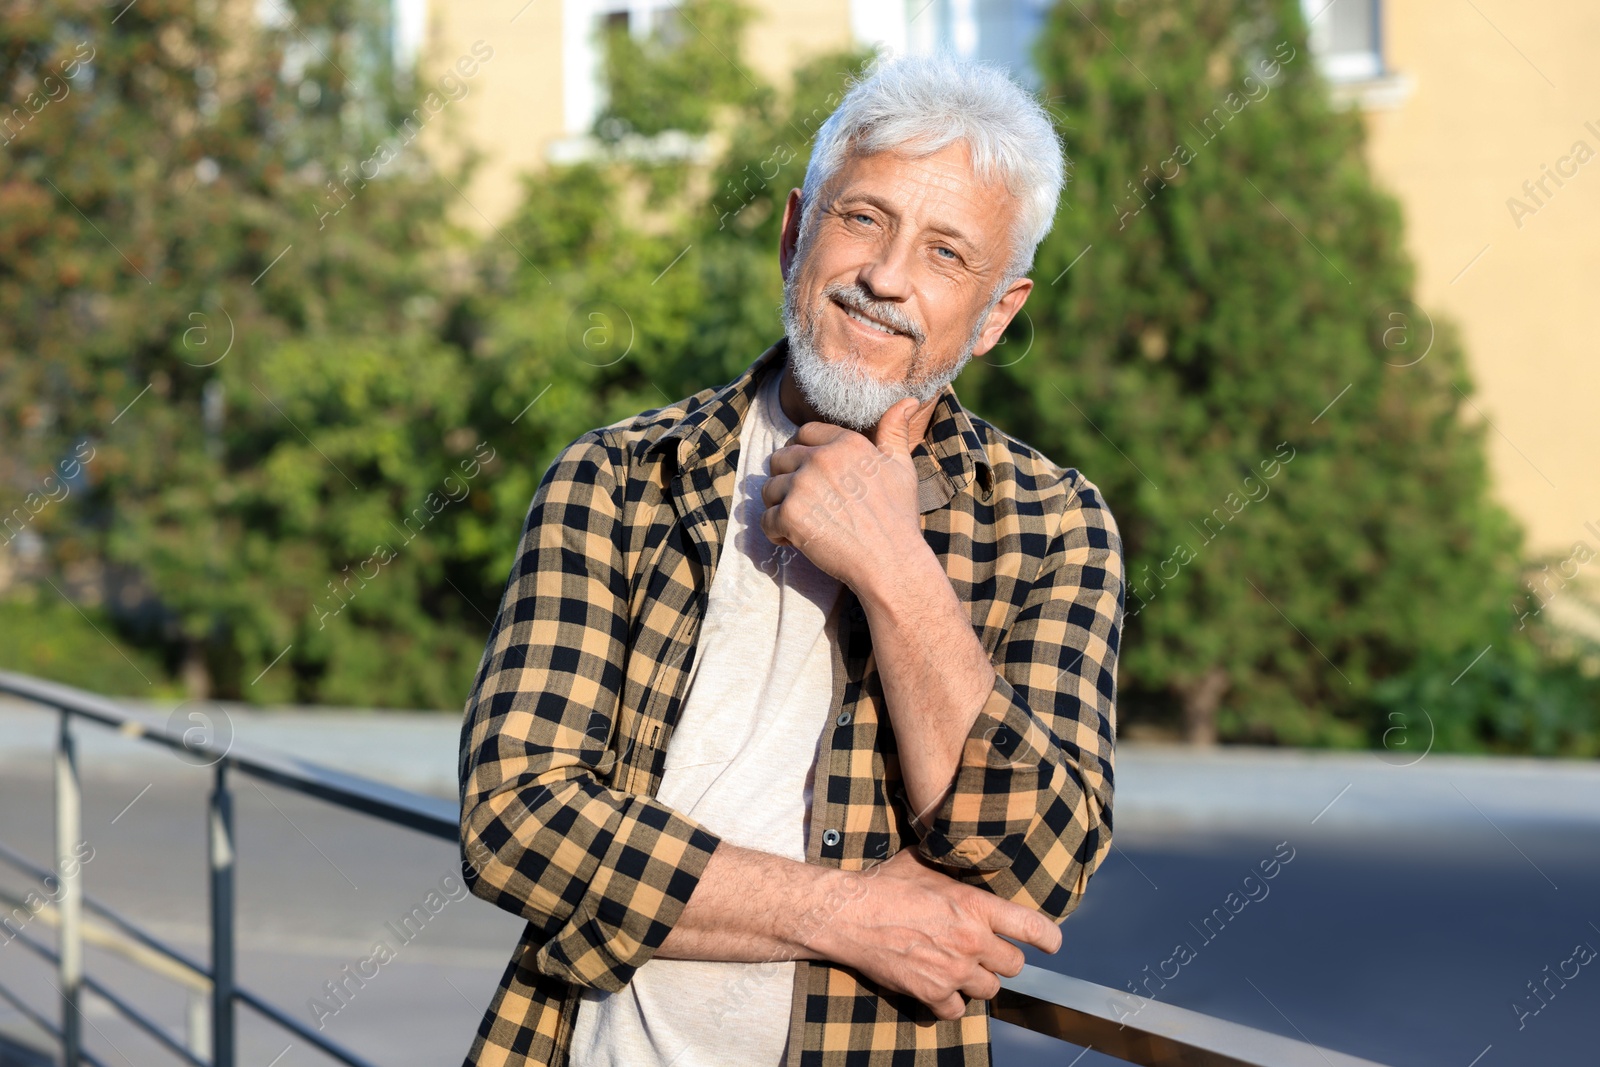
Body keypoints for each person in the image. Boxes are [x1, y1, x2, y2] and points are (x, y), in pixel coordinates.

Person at [457, 51, 1124, 1067]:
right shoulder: (621, 477)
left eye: (947, 254)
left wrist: (894, 564)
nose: (886, 279)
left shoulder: (1052, 524)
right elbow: (516, 819)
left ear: (996, 314)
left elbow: (1036, 862)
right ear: (792, 234)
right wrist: (844, 913)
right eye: (863, 218)